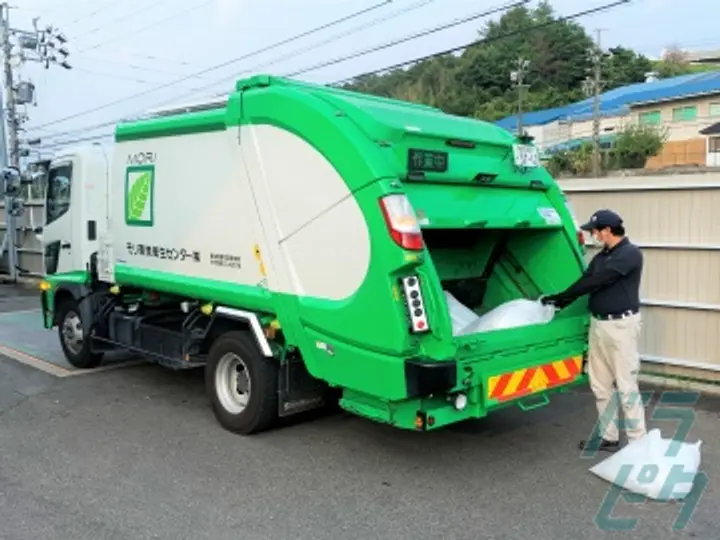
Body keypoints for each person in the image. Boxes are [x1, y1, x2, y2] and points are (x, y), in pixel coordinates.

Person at [541, 209, 646, 452]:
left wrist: (562, 297)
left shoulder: (630, 255)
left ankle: (638, 443)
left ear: (608, 231)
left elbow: (597, 281)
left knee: (626, 385)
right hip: (599, 325)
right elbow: (584, 280)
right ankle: (608, 437)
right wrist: (558, 302)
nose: (593, 235)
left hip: (621, 327)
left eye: (595, 231)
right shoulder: (601, 257)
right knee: (600, 384)